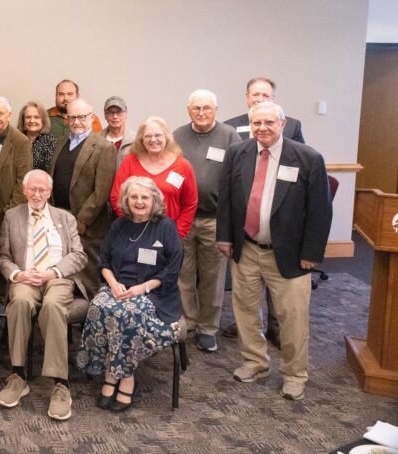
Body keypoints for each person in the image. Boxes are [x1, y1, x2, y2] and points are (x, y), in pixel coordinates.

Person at [216, 101, 331, 401]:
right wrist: (225, 238)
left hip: (291, 254)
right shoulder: (237, 153)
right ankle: (255, 362)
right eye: (257, 123)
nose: (262, 128)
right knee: (245, 311)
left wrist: (311, 253)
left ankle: (294, 374)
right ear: (250, 125)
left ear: (282, 124)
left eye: (269, 123)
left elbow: (320, 211)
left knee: (292, 317)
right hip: (247, 248)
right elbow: (227, 199)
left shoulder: (307, 158)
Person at [78, 176, 184, 412]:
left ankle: (123, 377)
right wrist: (113, 284)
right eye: (134, 197)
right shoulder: (119, 225)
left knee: (125, 313)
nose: (139, 201)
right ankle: (111, 371)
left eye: (145, 197)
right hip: (118, 286)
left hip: (155, 293)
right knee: (99, 307)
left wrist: (143, 287)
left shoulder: (165, 226)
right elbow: (103, 260)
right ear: (126, 199)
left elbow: (173, 269)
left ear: (154, 199)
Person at [0, 170, 87, 421]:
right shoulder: (11, 216)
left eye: (42, 190)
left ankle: (61, 384)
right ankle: (18, 375)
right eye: (32, 189)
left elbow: (79, 256)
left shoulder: (64, 218)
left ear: (49, 192)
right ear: (24, 191)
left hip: (57, 277)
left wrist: (52, 272)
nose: (37, 194)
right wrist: (17, 275)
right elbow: (2, 256)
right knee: (20, 301)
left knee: (53, 306)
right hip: (25, 276)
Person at [173, 89, 241, 352]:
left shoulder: (229, 136)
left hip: (215, 219)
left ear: (216, 110)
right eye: (196, 108)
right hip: (184, 218)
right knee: (184, 274)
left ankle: (208, 328)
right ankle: (189, 321)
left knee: (213, 278)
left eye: (207, 108)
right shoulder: (177, 136)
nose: (201, 113)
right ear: (188, 110)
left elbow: (237, 177)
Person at [45, 98, 117, 299]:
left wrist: (83, 220)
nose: (77, 121)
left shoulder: (104, 147)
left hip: (87, 224)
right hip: (59, 218)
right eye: (73, 117)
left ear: (91, 118)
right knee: (63, 272)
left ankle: (92, 321)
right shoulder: (59, 143)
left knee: (89, 275)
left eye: (82, 117)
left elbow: (102, 191)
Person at [111, 116, 198, 238]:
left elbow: (190, 204)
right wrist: (132, 224)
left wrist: (177, 234)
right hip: (134, 233)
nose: (153, 140)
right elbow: (116, 196)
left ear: (166, 137)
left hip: (169, 235)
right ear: (141, 139)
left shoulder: (182, 166)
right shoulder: (130, 161)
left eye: (158, 135)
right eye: (148, 136)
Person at [0, 96, 32, 230]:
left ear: (9, 116)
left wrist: (11, 211)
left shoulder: (20, 141)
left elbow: (23, 181)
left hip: (5, 205)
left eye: (1, 113)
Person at [224, 77, 305, 143]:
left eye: (265, 95)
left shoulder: (292, 126)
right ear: (247, 96)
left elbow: (300, 157)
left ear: (273, 98)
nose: (260, 99)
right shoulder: (229, 126)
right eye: (256, 95)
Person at [16, 101, 57, 171]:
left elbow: (50, 170)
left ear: (43, 120)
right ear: (23, 120)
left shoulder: (51, 141)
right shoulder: (16, 140)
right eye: (28, 117)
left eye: (36, 117)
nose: (32, 121)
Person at [100, 96, 134, 166]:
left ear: (126, 113)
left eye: (119, 112)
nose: (115, 116)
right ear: (105, 115)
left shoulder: (136, 140)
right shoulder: (96, 139)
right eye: (110, 112)